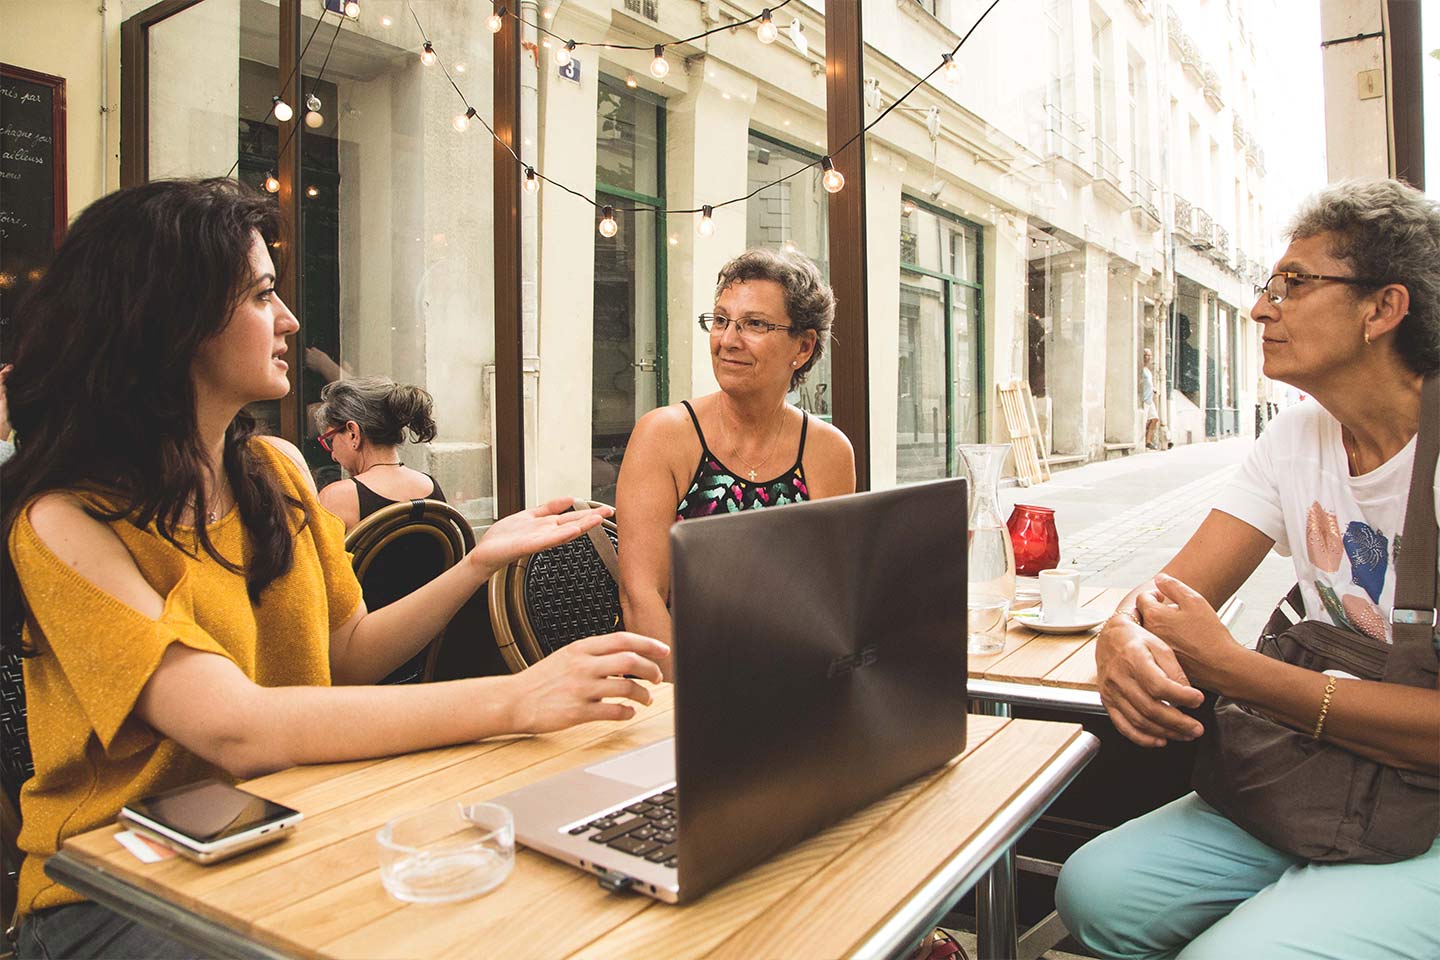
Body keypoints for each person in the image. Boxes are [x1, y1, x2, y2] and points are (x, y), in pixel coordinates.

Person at [0, 178, 668, 958]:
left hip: (288, 826)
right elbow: (236, 729)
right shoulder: (64, 518)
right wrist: (518, 699)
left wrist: (478, 561)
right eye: (260, 297)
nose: (286, 321)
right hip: (112, 887)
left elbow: (345, 654)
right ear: (168, 322)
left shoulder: (274, 471)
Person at [1056, 178, 1440, 958]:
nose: (1263, 308)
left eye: (1294, 285)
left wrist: (1235, 670)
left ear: (1383, 309)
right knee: (1092, 892)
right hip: (1326, 769)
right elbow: (1170, 594)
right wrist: (1121, 637)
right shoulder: (1296, 437)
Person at [616, 249, 856, 675]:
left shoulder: (827, 451)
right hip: (672, 685)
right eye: (722, 320)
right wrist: (697, 708)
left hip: (787, 681)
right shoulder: (664, 436)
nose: (728, 340)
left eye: (755, 324)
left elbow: (827, 601)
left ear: (802, 346)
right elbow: (642, 598)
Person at [315, 376, 446, 532]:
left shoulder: (337, 497)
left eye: (330, 441)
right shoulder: (431, 487)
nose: (333, 456)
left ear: (353, 433)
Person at [1140, 348, 1161, 449]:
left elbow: (1148, 383)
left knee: (1155, 419)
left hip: (1149, 398)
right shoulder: (1141, 370)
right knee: (1144, 421)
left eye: (1149, 355)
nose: (1147, 357)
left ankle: (1147, 441)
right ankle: (1142, 441)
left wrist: (1153, 389)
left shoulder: (1148, 371)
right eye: (1145, 355)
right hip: (1144, 399)